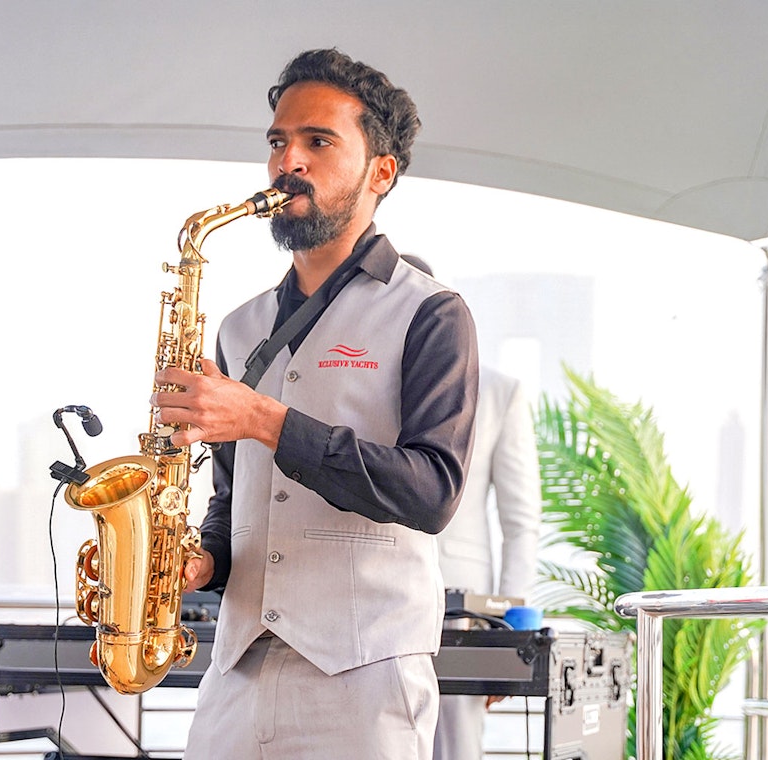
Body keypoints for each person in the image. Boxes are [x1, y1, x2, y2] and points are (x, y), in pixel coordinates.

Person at [150, 49, 480, 759]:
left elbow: (432, 492)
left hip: (366, 680)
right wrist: (203, 560)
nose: (286, 161)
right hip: (235, 673)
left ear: (381, 172)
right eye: (277, 142)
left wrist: (264, 419)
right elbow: (235, 497)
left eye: (318, 142)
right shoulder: (239, 325)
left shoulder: (432, 314)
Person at [399, 255, 542, 760]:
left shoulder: (501, 392)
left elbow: (521, 523)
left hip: (463, 610)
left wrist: (512, 626)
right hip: (370, 598)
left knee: (456, 748)